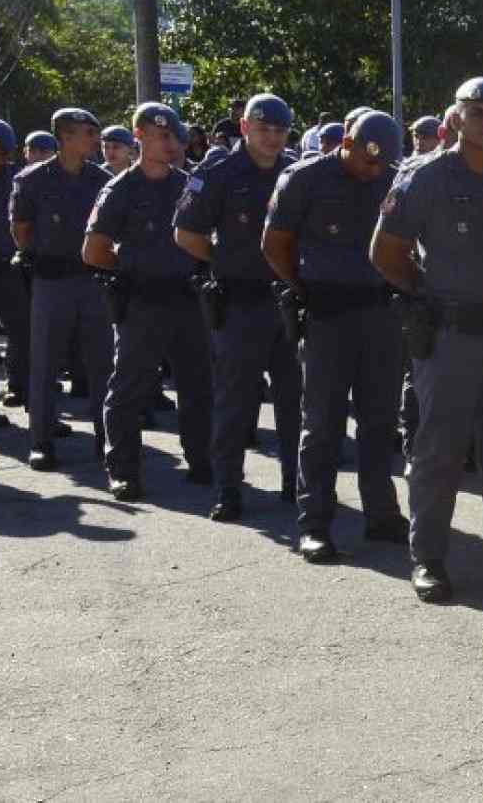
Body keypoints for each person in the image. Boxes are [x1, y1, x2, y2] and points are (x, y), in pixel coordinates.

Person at [371, 78, 483, 603]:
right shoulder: (424, 177)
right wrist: (425, 294)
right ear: (457, 116)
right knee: (439, 449)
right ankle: (429, 556)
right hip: (450, 334)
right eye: (479, 112)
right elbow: (385, 251)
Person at [263, 110, 409, 563]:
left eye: (380, 164)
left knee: (380, 420)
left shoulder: (393, 179)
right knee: (322, 423)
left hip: (380, 315)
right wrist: (306, 288)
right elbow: (275, 244)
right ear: (345, 140)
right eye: (366, 159)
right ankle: (315, 523)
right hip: (327, 314)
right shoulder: (303, 179)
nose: (373, 170)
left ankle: (381, 513)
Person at [173, 93, 302, 519]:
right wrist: (223, 260)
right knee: (234, 401)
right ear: (244, 127)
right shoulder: (221, 172)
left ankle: (294, 482)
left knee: (293, 398)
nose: (272, 137)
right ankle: (227, 487)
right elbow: (187, 233)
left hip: (287, 301)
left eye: (280, 130)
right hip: (240, 303)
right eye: (263, 128)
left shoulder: (296, 172)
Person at [81, 104, 214, 500]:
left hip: (187, 299)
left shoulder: (188, 185)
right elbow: (93, 251)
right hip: (141, 301)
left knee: (197, 384)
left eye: (175, 137)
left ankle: (201, 459)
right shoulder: (121, 188)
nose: (171, 144)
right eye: (162, 137)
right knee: (129, 387)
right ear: (139, 136)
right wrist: (134, 267)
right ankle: (123, 468)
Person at [10, 109, 113, 470]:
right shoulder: (32, 180)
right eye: (89, 132)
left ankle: (108, 440)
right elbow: (21, 230)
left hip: (93, 280)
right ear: (66, 136)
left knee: (102, 363)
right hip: (51, 281)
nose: (95, 139)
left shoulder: (101, 179)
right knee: (45, 364)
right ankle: (41, 441)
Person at [0, 120, 31, 422]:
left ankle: (27, 393)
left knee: (25, 333)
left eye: (1, 153)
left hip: (10, 268)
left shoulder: (18, 178)